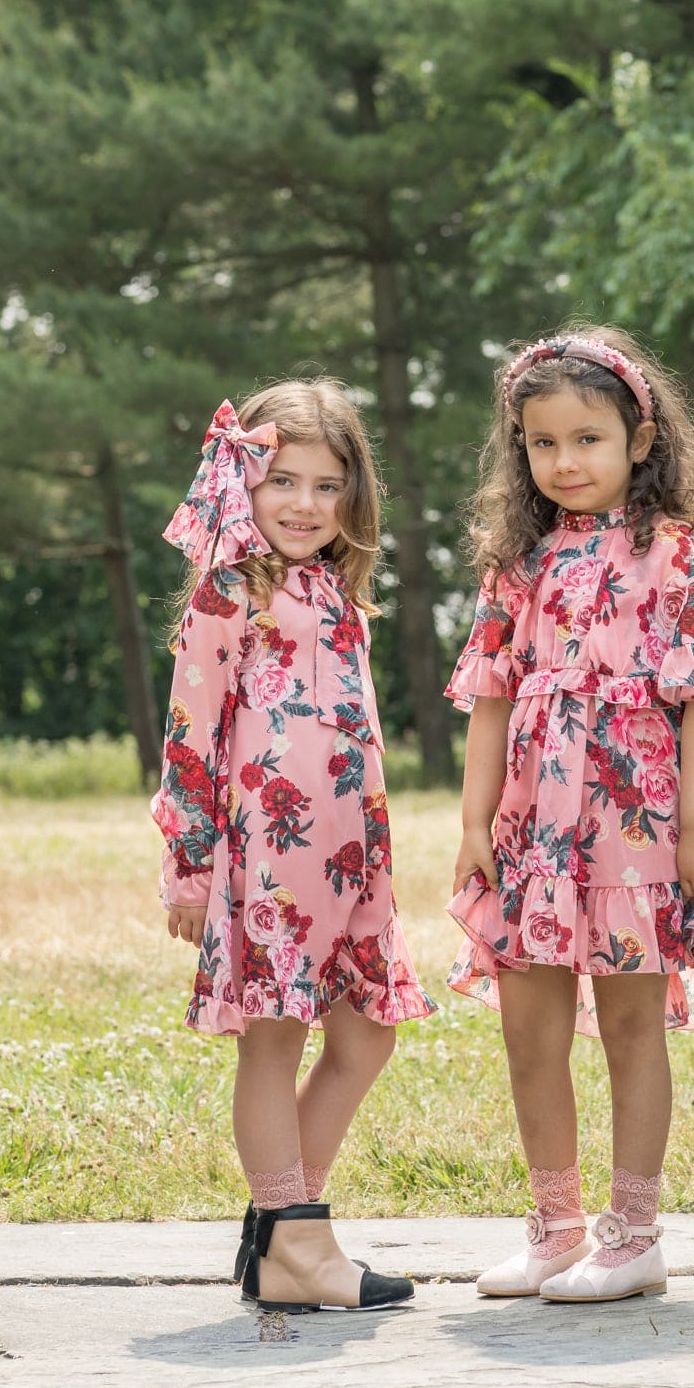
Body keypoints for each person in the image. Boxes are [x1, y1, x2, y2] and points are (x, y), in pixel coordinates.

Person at [447, 327, 694, 1303]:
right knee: (526, 1026)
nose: (565, 462)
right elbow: (492, 697)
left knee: (633, 1025)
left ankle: (634, 1234)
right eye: (542, 444)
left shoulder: (671, 557)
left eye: (587, 438)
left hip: (635, 821)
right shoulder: (521, 564)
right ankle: (554, 1226)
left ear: (639, 437)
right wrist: (473, 826)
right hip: (533, 827)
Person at [152, 380, 435, 1313]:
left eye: (327, 485)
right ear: (245, 485)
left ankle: (281, 1232)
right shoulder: (228, 592)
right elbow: (187, 741)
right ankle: (295, 1239)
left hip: (353, 858)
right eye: (284, 482)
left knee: (367, 1034)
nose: (305, 505)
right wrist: (189, 868)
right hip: (268, 858)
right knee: (272, 1042)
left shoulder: (338, 591)